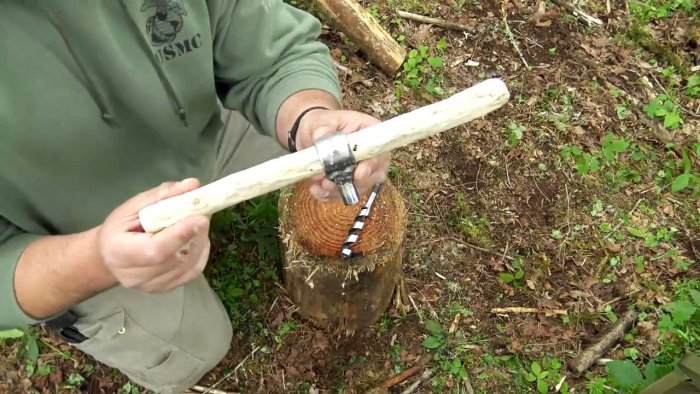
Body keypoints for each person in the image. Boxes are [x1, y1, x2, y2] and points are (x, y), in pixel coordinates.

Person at [0, 1, 390, 393]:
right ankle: (82, 306)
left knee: (315, 168)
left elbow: (268, 46)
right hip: (82, 237)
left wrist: (309, 120)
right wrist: (98, 259)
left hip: (200, 133)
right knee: (198, 349)